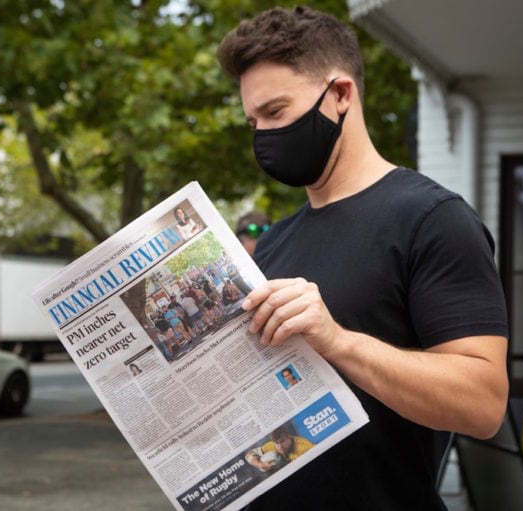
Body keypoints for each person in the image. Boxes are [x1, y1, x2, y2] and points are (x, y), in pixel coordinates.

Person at [217, 6, 508, 510]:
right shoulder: (276, 241)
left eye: (276, 112)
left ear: (341, 95)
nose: (261, 136)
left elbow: (484, 403)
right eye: (252, 121)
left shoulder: (432, 218)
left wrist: (337, 341)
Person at [245, 426, 314, 471]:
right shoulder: (272, 445)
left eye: (282, 441)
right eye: (276, 443)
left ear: (288, 437)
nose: (279, 446)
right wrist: (261, 465)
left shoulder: (305, 447)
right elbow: (248, 455)